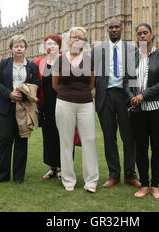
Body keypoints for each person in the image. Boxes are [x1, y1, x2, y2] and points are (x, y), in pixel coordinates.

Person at [124, 23, 159, 199]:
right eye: (139, 34)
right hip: (138, 112)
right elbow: (127, 82)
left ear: (151, 35)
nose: (142, 36)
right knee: (141, 149)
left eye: (145, 33)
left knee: (157, 148)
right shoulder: (133, 57)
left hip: (158, 110)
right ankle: (144, 184)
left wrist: (143, 96)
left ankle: (155, 185)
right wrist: (132, 98)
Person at [93, 18, 140, 188]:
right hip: (105, 97)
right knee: (109, 138)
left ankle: (130, 174)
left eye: (116, 27)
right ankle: (114, 175)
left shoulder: (131, 49)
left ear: (122, 29)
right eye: (111, 27)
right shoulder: (98, 50)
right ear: (107, 30)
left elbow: (134, 76)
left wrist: (135, 96)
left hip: (125, 97)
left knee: (129, 138)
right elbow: (93, 75)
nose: (113, 30)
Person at [52, 27, 99, 193]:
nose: (76, 39)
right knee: (66, 142)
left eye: (79, 37)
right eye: (73, 37)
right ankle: (68, 179)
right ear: (68, 39)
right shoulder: (59, 60)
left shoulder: (89, 59)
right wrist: (68, 95)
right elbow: (55, 84)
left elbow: (91, 83)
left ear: (84, 41)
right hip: (64, 102)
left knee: (90, 140)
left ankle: (91, 181)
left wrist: (80, 94)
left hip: (85, 103)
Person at [0, 35, 40, 184]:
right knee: (5, 139)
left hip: (24, 108)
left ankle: (19, 176)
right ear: (11, 48)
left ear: (26, 49)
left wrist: (24, 96)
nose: (19, 48)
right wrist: (9, 94)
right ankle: (2, 174)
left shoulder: (32, 66)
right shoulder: (4, 63)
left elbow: (36, 85)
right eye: (16, 46)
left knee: (21, 141)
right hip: (5, 107)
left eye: (22, 46)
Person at [34, 34, 62, 181]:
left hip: (63, 103)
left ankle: (63, 167)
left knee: (63, 136)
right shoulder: (39, 62)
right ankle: (52, 166)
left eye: (53, 44)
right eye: (48, 44)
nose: (50, 47)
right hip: (46, 104)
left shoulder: (65, 59)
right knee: (49, 136)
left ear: (59, 46)